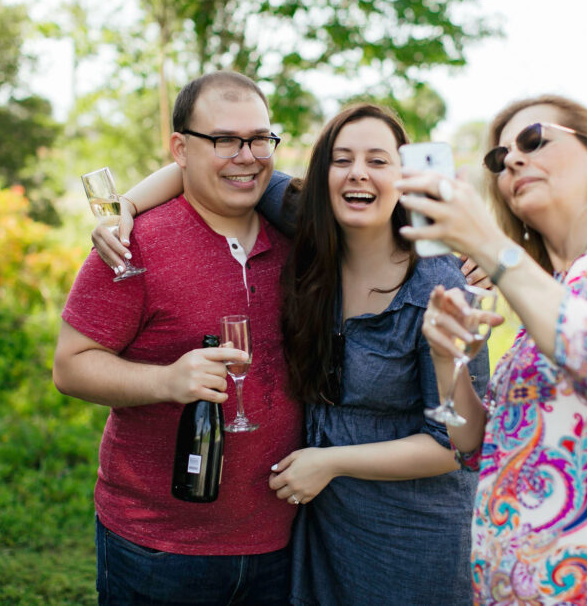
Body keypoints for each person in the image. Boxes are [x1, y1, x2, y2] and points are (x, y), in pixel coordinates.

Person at [94, 103, 490, 605]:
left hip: (409, 536)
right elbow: (210, 169)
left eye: (378, 160)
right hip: (318, 528)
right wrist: (124, 208)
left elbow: (457, 444)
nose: (358, 173)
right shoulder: (309, 223)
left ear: (406, 178)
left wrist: (330, 463)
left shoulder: (438, 286)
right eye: (341, 159)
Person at [396, 94, 587, 605]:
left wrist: (490, 246)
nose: (513, 159)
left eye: (534, 140)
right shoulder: (555, 288)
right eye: (499, 158)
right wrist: (445, 358)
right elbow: (475, 443)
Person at [53, 71, 302, 605]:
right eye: (224, 140)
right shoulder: (131, 243)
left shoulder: (297, 237)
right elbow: (71, 366)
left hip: (282, 541)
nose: (247, 155)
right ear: (180, 149)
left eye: (260, 138)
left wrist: (475, 262)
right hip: (158, 550)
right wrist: (167, 380)